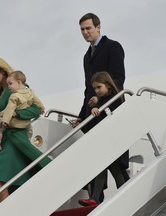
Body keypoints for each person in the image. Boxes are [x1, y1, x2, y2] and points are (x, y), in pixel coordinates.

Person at [0, 57, 51, 204]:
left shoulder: (18, 86)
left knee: (1, 184)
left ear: (2, 70)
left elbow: (36, 109)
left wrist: (17, 114)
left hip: (12, 141)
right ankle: (11, 209)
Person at [71, 13, 129, 202]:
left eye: (88, 28)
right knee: (100, 158)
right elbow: (88, 90)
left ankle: (102, 197)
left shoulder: (113, 47)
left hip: (111, 110)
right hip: (93, 115)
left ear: (98, 27)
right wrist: (82, 116)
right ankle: (97, 198)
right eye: (82, 29)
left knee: (111, 158)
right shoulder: (86, 56)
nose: (85, 32)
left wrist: (102, 102)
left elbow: (118, 80)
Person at [78, 71, 130, 206]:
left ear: (108, 85)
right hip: (105, 141)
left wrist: (97, 107)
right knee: (103, 168)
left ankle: (123, 194)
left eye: (99, 87)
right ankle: (95, 198)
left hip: (112, 141)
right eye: (94, 88)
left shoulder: (115, 98)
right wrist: (95, 106)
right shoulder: (103, 100)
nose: (96, 90)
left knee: (116, 170)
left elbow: (111, 113)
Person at [0, 70, 45, 154]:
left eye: (10, 84)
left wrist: (5, 121)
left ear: (18, 82)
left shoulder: (14, 96)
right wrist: (42, 108)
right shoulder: (30, 92)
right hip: (25, 122)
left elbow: (9, 109)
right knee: (29, 130)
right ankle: (28, 141)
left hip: (14, 122)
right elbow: (37, 101)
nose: (9, 87)